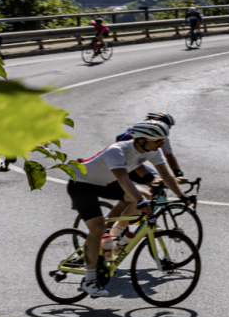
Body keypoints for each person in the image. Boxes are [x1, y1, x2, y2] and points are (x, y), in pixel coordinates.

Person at [66, 121, 192, 295]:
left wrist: (182, 196)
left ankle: (114, 237)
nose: (161, 144)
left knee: (145, 197)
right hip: (81, 183)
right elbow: (123, 179)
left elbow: (165, 174)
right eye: (157, 141)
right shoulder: (117, 150)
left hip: (104, 183)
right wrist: (139, 201)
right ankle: (90, 279)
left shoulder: (152, 151)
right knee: (97, 227)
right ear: (141, 140)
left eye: (163, 141)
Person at [115, 111, 184, 182]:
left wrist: (178, 174)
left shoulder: (162, 137)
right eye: (167, 126)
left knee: (160, 182)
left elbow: (169, 156)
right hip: (123, 166)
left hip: (136, 164)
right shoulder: (134, 136)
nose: (168, 129)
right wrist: (150, 179)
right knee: (154, 183)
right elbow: (133, 161)